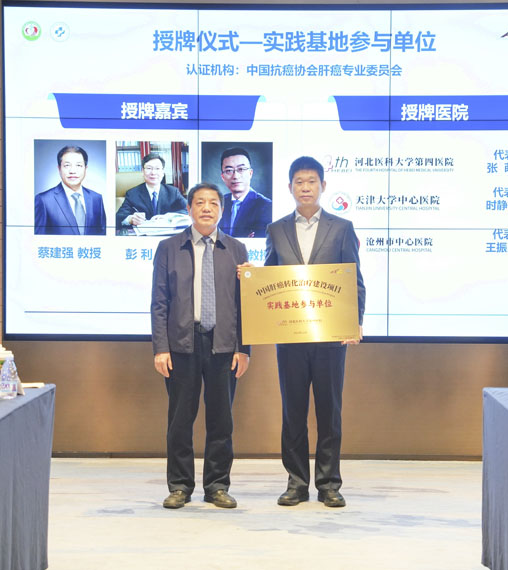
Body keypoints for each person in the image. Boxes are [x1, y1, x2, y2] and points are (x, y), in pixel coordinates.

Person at [264, 156, 365, 508]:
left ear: (323, 185)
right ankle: (296, 483)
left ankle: (329, 483)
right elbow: (269, 278)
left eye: (311, 181)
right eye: (299, 181)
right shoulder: (276, 229)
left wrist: (355, 320)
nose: (305, 187)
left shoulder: (342, 227)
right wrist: (249, 277)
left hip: (331, 335)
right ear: (289, 187)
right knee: (293, 411)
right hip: (290, 335)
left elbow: (354, 279)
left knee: (328, 411)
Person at [151, 182, 250, 510]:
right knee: (180, 420)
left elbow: (244, 304)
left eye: (213, 203)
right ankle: (180, 486)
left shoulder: (236, 249)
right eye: (200, 203)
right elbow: (159, 302)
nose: (207, 208)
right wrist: (160, 347)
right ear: (189, 209)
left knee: (221, 420)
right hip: (182, 344)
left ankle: (217, 486)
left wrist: (244, 348)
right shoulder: (169, 247)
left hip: (224, 345)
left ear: (221, 209)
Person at [34, 146, 106, 235]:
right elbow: (37, 239)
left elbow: (103, 234)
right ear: (59, 169)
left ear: (85, 169)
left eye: (78, 165)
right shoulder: (44, 200)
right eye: (67, 165)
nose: (72, 171)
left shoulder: (97, 198)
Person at [115, 152, 187, 231]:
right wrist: (130, 219)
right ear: (143, 171)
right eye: (149, 168)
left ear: (163, 172)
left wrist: (168, 217)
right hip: (143, 235)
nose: (153, 173)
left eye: (157, 169)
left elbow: (190, 209)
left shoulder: (173, 192)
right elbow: (118, 217)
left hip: (167, 235)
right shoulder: (132, 194)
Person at [218, 147, 272, 238]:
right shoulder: (218, 203)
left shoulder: (266, 206)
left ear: (250, 173)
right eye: (229, 171)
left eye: (241, 169)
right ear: (223, 177)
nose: (235, 176)